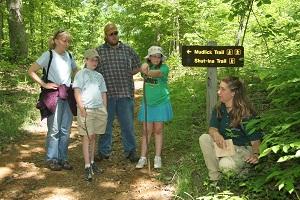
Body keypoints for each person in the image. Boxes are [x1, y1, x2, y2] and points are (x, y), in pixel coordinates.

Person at [28, 30, 77, 171]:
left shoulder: (69, 55)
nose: (66, 43)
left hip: (67, 95)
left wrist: (81, 80)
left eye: (68, 41)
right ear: (55, 40)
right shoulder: (48, 55)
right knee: (54, 129)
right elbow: (31, 70)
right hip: (53, 95)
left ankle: (63, 158)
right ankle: (52, 159)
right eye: (63, 40)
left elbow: (75, 70)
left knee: (65, 129)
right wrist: (44, 84)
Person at [95, 22, 144, 163]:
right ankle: (104, 152)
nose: (114, 36)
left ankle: (130, 151)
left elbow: (137, 67)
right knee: (105, 125)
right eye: (111, 34)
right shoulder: (99, 52)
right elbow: (92, 71)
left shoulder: (128, 50)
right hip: (107, 96)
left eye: (116, 33)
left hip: (125, 93)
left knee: (127, 125)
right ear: (106, 35)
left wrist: (135, 71)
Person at [199, 76, 263, 182]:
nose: (219, 92)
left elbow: (255, 140)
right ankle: (215, 179)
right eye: (219, 88)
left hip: (243, 150)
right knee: (204, 138)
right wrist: (216, 134)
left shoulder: (245, 113)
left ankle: (243, 172)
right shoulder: (219, 108)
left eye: (223, 89)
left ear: (233, 93)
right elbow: (212, 128)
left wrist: (256, 154)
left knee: (225, 164)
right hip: (226, 146)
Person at [135, 46, 173, 169]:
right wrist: (144, 67)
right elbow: (142, 69)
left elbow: (157, 74)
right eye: (153, 56)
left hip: (161, 103)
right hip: (148, 103)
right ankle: (143, 157)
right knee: (146, 131)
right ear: (149, 57)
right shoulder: (146, 66)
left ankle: (157, 157)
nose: (156, 58)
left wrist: (146, 70)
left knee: (158, 130)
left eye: (158, 56)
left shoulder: (164, 68)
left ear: (161, 58)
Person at [73, 49, 107, 181]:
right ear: (85, 60)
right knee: (87, 137)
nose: (94, 62)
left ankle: (92, 162)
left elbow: (103, 92)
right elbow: (77, 91)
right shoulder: (80, 74)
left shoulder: (99, 76)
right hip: (86, 109)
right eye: (92, 59)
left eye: (96, 59)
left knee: (93, 136)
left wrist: (104, 108)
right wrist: (81, 107)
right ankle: (87, 166)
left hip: (99, 109)